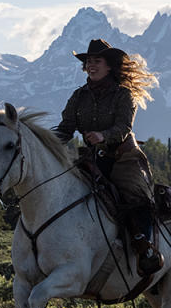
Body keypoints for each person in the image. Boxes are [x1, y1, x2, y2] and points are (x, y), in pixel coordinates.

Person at [54, 38, 163, 276]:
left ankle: (145, 247)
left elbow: (124, 127)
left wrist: (103, 136)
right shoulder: (78, 96)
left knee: (136, 195)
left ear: (109, 66)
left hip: (123, 156)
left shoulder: (124, 95)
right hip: (93, 158)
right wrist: (44, 142)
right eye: (89, 62)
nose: (91, 65)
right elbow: (65, 128)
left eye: (97, 61)